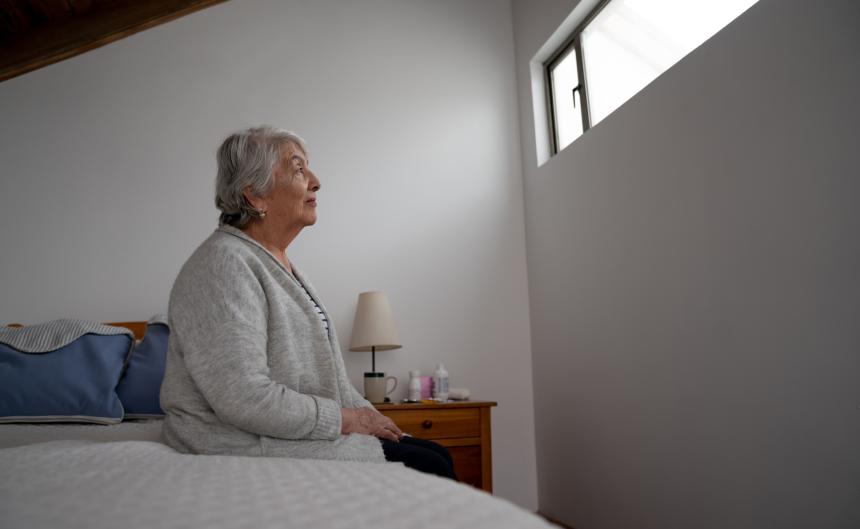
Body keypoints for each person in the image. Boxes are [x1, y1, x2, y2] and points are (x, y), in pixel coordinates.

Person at [160, 125, 455, 479]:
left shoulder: (276, 262)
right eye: (299, 169)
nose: (315, 181)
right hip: (238, 441)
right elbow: (244, 397)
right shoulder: (222, 265)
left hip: (288, 433)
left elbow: (332, 383)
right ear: (255, 195)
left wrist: (370, 416)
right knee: (430, 465)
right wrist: (346, 420)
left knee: (434, 451)